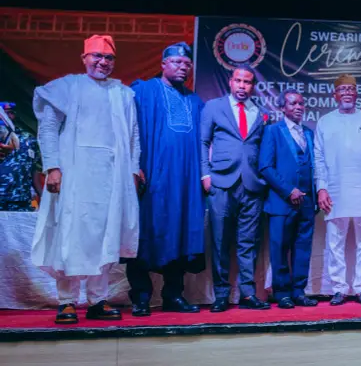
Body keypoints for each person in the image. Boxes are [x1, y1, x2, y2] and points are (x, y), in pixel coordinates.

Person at [31, 35, 141, 324]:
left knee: (106, 236)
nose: (103, 62)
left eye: (108, 58)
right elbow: (48, 128)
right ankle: (67, 301)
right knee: (72, 234)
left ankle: (98, 300)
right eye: (97, 56)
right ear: (84, 58)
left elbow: (133, 136)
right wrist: (52, 166)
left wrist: (134, 169)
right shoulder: (69, 86)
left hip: (113, 176)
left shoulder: (123, 93)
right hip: (76, 172)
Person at [126, 42, 205, 316]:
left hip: (184, 183)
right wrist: (134, 166)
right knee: (145, 232)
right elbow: (129, 131)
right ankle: (141, 296)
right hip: (152, 179)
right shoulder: (143, 91)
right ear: (163, 64)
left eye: (187, 65)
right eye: (176, 63)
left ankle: (173, 295)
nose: (182, 68)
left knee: (180, 234)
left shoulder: (194, 101)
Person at [314, 74, 361, 306]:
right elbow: (318, 158)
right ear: (335, 95)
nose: (347, 93)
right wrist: (322, 188)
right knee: (335, 241)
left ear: (357, 94)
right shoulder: (324, 122)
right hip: (335, 189)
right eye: (342, 89)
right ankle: (338, 288)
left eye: (351, 89)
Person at [201, 65, 269, 312]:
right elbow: (203, 141)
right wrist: (205, 174)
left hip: (251, 186)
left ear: (253, 86)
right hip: (221, 182)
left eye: (247, 82)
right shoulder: (213, 107)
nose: (242, 86)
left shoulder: (260, 113)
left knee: (248, 243)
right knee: (220, 241)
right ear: (231, 82)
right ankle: (221, 295)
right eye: (238, 81)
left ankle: (248, 294)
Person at [259, 89, 319, 309]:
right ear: (282, 107)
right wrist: (288, 190)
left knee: (302, 248)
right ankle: (281, 292)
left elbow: (314, 166)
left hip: (306, 202)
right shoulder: (273, 132)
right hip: (281, 202)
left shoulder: (309, 133)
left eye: (301, 104)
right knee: (280, 248)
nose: (298, 107)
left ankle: (298, 291)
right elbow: (265, 167)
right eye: (293, 104)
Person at [0, 102, 43, 211]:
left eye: (9, 113)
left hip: (21, 200)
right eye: (3, 114)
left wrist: (41, 194)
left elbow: (33, 169)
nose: (6, 117)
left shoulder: (28, 140)